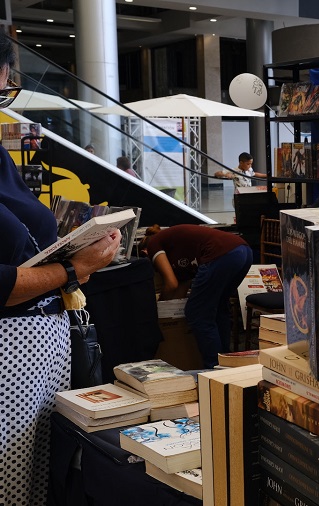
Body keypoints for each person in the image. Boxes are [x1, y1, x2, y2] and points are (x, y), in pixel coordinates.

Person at [0, 37, 122, 505]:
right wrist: (72, 268)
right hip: (10, 363)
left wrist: (74, 259)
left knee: (44, 482)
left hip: (39, 359)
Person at [140, 224, 252, 368]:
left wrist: (158, 307)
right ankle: (226, 361)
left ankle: (213, 368)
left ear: (145, 252)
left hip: (220, 254)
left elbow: (171, 284)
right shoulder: (179, 255)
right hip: (243, 251)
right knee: (218, 308)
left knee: (197, 313)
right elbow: (180, 288)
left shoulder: (154, 244)